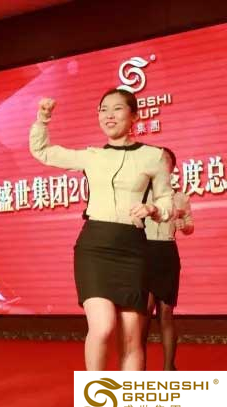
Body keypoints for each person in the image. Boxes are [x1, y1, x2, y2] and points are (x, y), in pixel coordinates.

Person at [29, 89, 173, 371]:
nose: (109, 115)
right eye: (103, 109)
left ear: (134, 116)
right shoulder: (92, 156)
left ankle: (128, 400)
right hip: (94, 247)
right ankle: (97, 398)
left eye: (117, 109)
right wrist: (43, 119)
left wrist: (154, 209)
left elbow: (166, 198)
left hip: (133, 249)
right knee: (103, 326)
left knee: (131, 338)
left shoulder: (153, 156)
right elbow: (43, 152)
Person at [143, 147, 194, 370]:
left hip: (166, 253)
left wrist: (184, 225)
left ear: (172, 167)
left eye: (165, 161)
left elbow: (190, 226)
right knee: (143, 313)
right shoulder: (140, 194)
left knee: (165, 312)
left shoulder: (180, 198)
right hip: (143, 252)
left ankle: (168, 368)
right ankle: (138, 367)